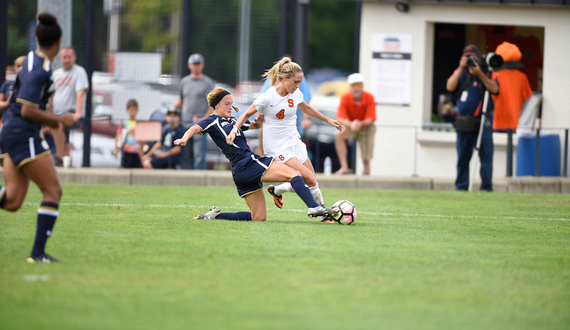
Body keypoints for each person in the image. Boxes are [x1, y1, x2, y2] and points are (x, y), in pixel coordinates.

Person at [174, 87, 337, 222]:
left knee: (258, 217)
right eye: (226, 104)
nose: (230, 107)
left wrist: (259, 121)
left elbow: (254, 125)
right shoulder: (212, 120)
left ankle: (215, 216)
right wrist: (184, 138)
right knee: (294, 174)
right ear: (216, 105)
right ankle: (314, 206)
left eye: (231, 103)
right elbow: (195, 128)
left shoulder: (233, 121)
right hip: (248, 163)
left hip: (242, 172)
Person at [227, 57, 343, 223]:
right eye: (295, 82)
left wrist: (329, 120)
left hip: (294, 141)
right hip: (277, 146)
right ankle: (323, 214)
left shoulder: (295, 93)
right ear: (284, 78)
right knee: (308, 178)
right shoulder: (268, 97)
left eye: (300, 83)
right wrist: (233, 130)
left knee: (311, 179)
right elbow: (246, 114)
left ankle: (278, 190)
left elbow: (307, 108)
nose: (297, 86)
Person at [0, 12, 74, 263]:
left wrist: (50, 119)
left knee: (12, 201)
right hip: (22, 133)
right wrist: (59, 119)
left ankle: (38, 253)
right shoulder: (40, 68)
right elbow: (26, 109)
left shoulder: (31, 58)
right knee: (53, 190)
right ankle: (38, 254)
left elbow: (15, 100)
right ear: (58, 42)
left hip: (11, 131)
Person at [446, 44, 499, 191]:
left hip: (483, 122)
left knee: (486, 157)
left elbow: (495, 89)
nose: (470, 61)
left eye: (472, 58)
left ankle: (486, 187)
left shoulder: (487, 72)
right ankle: (461, 186)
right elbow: (450, 86)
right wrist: (460, 67)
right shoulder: (462, 73)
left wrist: (479, 73)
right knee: (463, 157)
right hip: (464, 123)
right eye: (467, 57)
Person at [171, 53, 215, 169]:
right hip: (185, 123)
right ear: (189, 65)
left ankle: (200, 182)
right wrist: (172, 110)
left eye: (198, 64)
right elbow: (182, 100)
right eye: (194, 64)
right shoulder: (184, 82)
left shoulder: (208, 82)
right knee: (187, 156)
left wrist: (205, 119)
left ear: (202, 65)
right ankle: (189, 182)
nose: (196, 67)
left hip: (200, 125)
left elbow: (212, 104)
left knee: (199, 156)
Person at [256, 66, 313, 156]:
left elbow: (305, 103)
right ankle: (265, 160)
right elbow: (260, 101)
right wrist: (259, 116)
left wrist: (306, 119)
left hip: (292, 125)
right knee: (264, 132)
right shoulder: (272, 81)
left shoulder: (299, 79)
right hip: (274, 127)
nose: (297, 85)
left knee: (294, 157)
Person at [49, 46, 89, 166]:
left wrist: (78, 112)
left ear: (74, 58)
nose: (67, 60)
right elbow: (51, 96)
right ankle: (65, 160)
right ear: (60, 58)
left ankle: (59, 157)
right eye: (64, 57)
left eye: (69, 57)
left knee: (59, 124)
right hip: (57, 112)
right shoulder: (56, 74)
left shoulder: (79, 71)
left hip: (71, 112)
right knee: (63, 138)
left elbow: (80, 93)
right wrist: (49, 114)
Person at [334, 73, 377, 175]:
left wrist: (358, 123)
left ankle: (366, 169)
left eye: (359, 85)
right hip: (351, 126)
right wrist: (351, 124)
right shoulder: (345, 98)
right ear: (350, 87)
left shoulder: (369, 97)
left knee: (366, 149)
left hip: (366, 127)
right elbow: (340, 116)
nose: (357, 88)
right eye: (354, 85)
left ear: (362, 86)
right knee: (339, 135)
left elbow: (371, 118)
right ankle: (344, 167)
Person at [491, 42, 533, 132]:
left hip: (497, 122)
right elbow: (527, 99)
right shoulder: (522, 77)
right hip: (515, 122)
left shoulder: (495, 75)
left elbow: (492, 98)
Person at [113, 99, 142, 168]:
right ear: (127, 110)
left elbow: (142, 138)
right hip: (126, 151)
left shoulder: (139, 123)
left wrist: (142, 150)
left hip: (136, 151)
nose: (133, 112)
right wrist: (116, 148)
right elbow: (118, 135)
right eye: (131, 110)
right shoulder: (124, 123)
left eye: (135, 110)